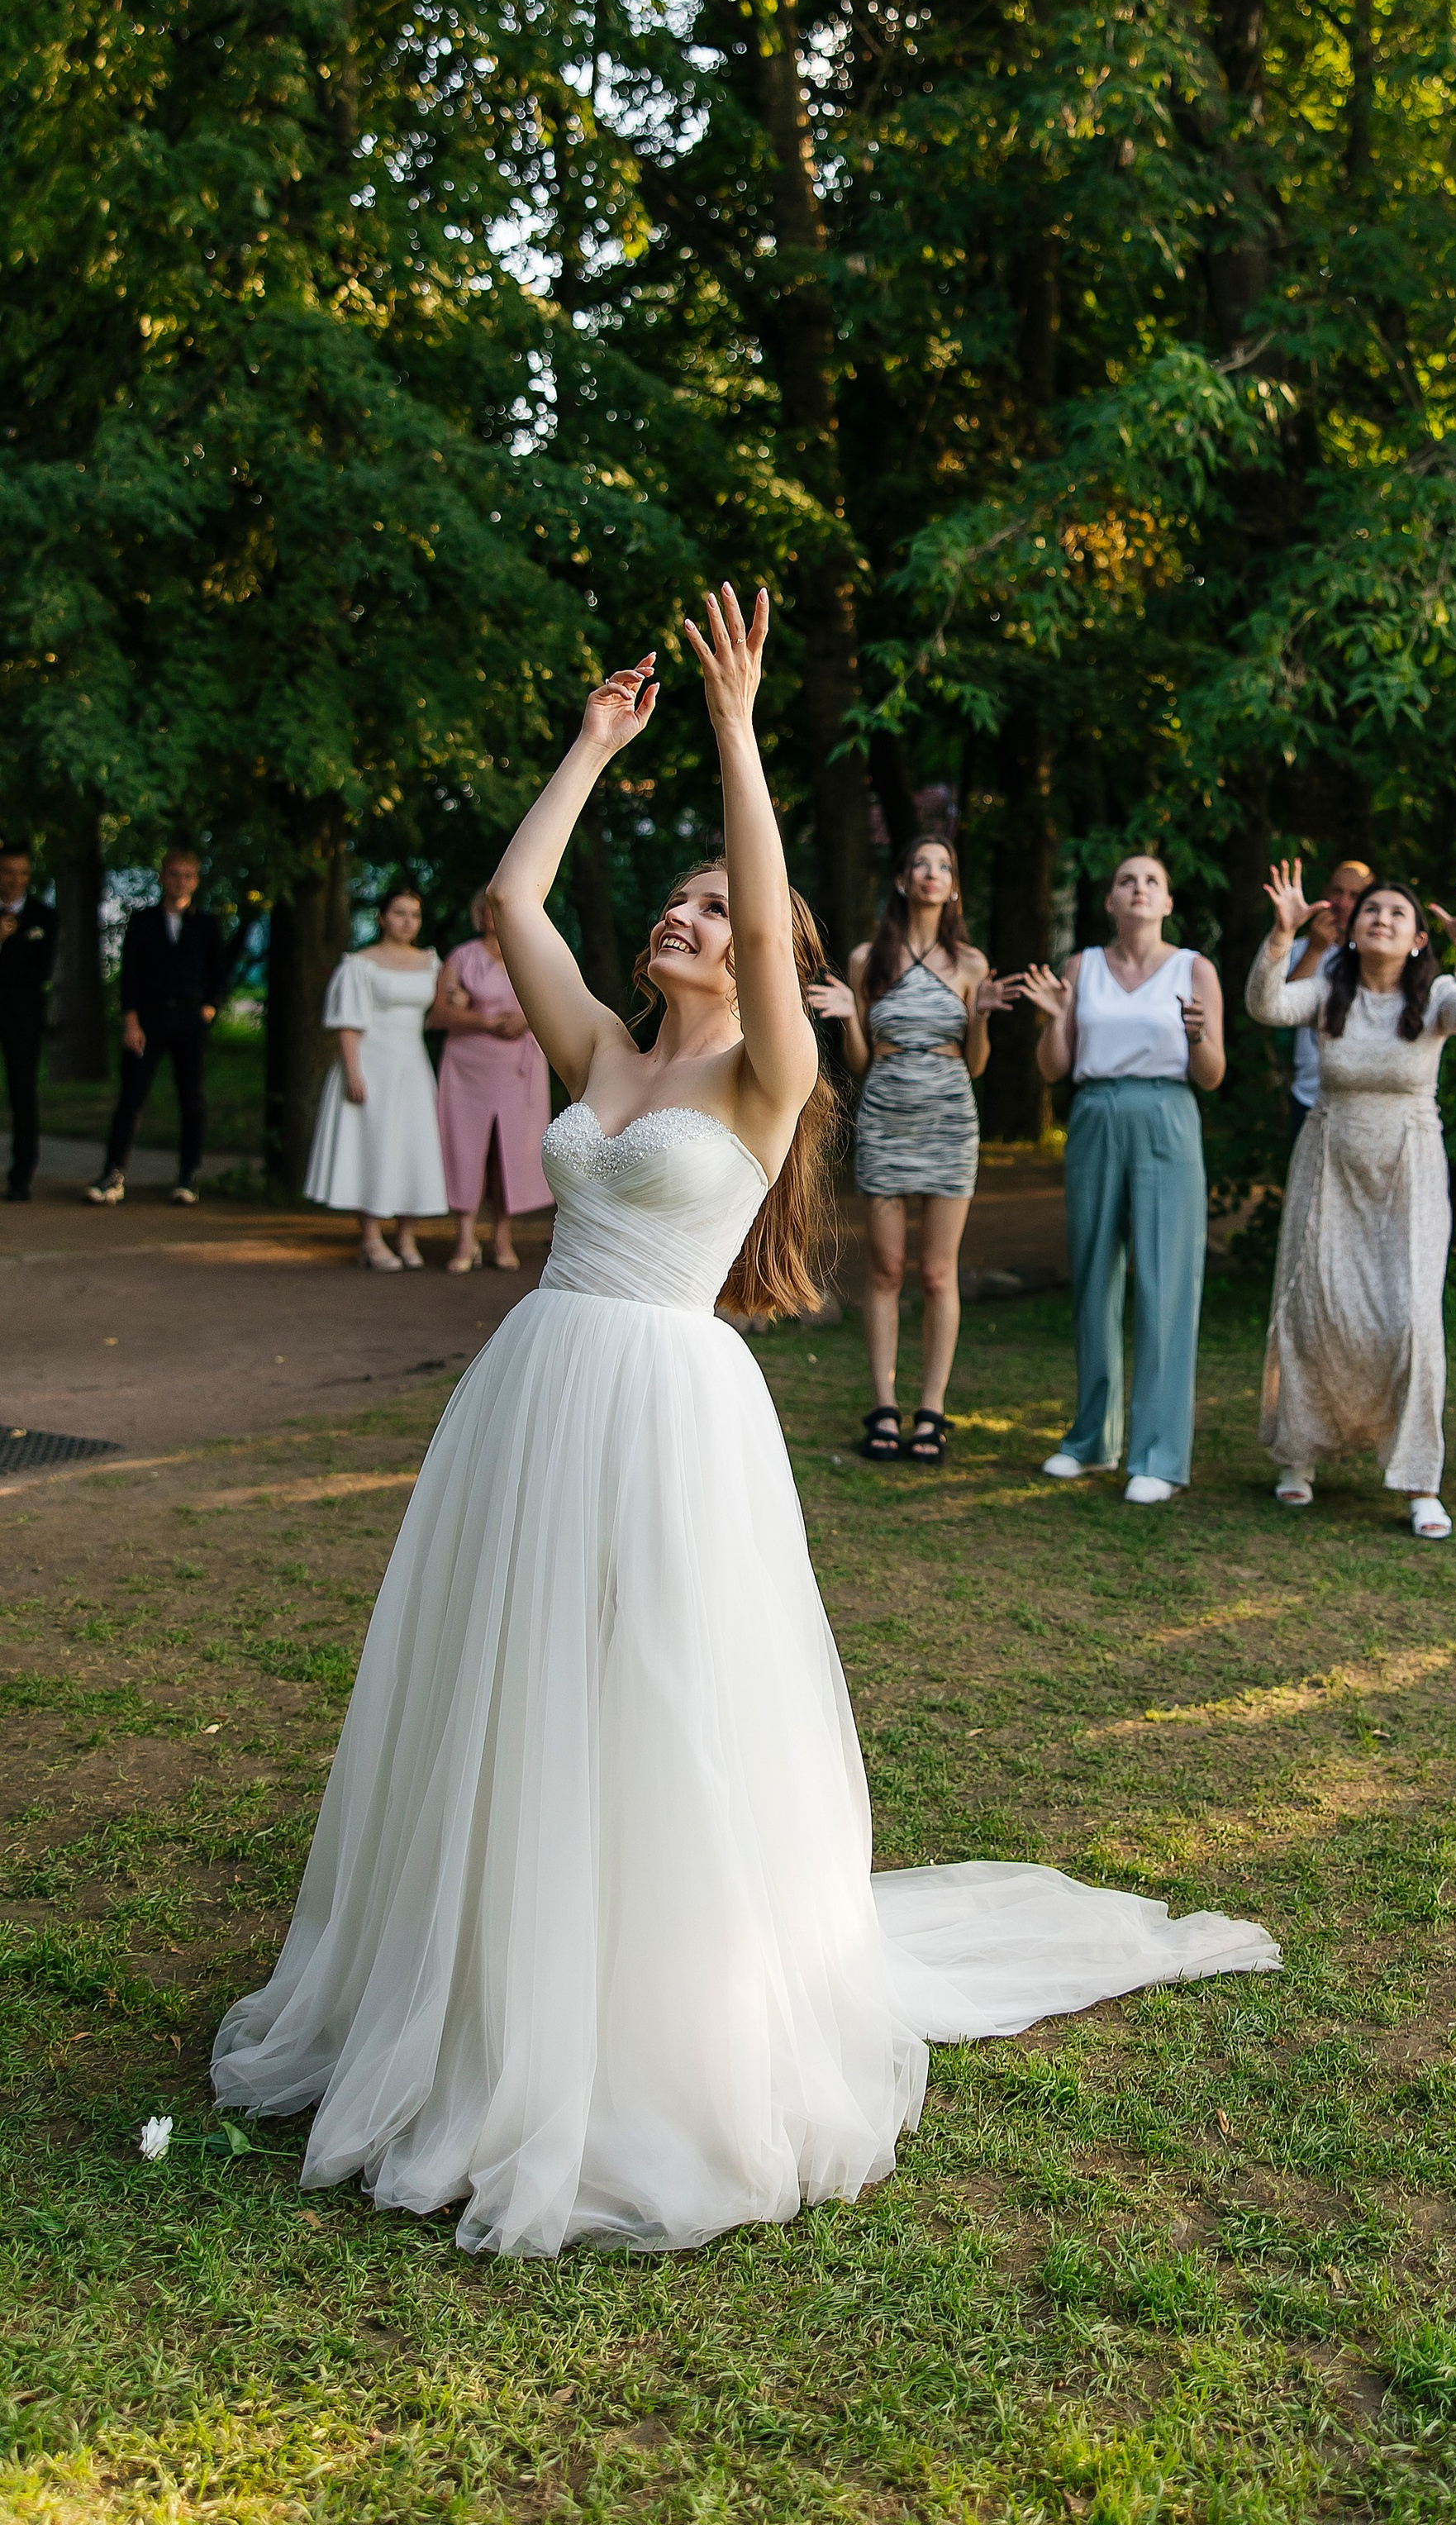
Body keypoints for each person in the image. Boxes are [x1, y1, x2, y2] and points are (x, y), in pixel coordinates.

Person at [212, 591, 1278, 2257]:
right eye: (677, 907)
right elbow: (508, 898)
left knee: (650, 1693)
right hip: (534, 1391)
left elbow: (776, 933)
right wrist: (592, 744)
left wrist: (733, 727)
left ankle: (648, 2012)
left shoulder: (762, 1076)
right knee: (520, 1683)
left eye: (712, 911)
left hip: (662, 1409)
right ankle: (492, 1977)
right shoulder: (602, 1060)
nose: (687, 922)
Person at [1246, 863, 1456, 1536]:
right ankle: (1299, 1456)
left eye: (1396, 914)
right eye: (1370, 912)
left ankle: (1420, 1480)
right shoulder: (1329, 988)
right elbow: (1266, 1005)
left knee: (1412, 1316)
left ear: (1419, 937)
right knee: (1312, 1305)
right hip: (1328, 1160)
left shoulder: (1440, 993)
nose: (1380, 919)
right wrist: (1282, 934)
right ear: (1352, 929)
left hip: (1408, 1166)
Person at [1015, 853, 1227, 1507]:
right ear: (1110, 901)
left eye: (1153, 882)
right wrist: (1054, 1018)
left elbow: (1214, 1073)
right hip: (1096, 1112)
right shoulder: (1081, 967)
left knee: (1166, 1284)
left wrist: (1197, 1038)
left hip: (1167, 1112)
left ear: (1167, 902)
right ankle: (1091, 1439)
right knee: (1094, 1276)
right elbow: (1054, 1069)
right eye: (1126, 881)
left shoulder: (1196, 969)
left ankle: (1158, 1454)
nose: (1139, 889)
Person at [806, 833, 1011, 1464]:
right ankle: (884, 1409)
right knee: (887, 1271)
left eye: (943, 866)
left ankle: (932, 1411)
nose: (931, 873)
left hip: (950, 1117)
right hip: (887, 1115)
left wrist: (980, 1020)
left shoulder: (972, 964)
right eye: (921, 864)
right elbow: (863, 1064)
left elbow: (976, 1065)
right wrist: (847, 1016)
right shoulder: (871, 958)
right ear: (902, 881)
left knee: (939, 1272)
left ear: (953, 887)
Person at [303, 881, 448, 1270]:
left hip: (413, 1066)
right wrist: (353, 1071)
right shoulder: (359, 964)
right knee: (371, 1143)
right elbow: (347, 1023)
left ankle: (406, 1235)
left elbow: (446, 1005)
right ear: (383, 918)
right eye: (399, 913)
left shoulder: (432, 962)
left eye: (414, 915)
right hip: (372, 1061)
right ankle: (370, 1238)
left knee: (413, 1145)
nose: (407, 922)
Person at [85, 850, 228, 1207]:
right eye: (175, 874)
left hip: (189, 1020)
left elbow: (219, 974)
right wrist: (131, 1020)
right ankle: (114, 1173)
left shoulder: (206, 925)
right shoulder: (143, 921)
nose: (180, 881)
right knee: (131, 1097)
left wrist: (208, 1009)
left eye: (188, 875)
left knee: (192, 1098)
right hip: (148, 1019)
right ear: (163, 877)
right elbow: (129, 974)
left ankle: (188, 1175)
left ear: (195, 881)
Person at [435, 886, 553, 1274]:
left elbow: (553, 1003)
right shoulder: (461, 957)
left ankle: (502, 1236)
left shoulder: (529, 954)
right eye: (484, 908)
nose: (491, 914)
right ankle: (465, 1237)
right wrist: (486, 1021)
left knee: (511, 1151)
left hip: (518, 1067)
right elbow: (438, 1013)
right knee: (466, 1147)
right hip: (468, 1065)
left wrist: (526, 1018)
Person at [1287, 859, 1373, 1137]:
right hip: (1309, 1095)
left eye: (1355, 895)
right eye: (1337, 892)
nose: (1343, 902)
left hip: (1363, 1101)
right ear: (1325, 894)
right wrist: (1315, 950)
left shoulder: (1380, 955)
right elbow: (1282, 1007)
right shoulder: (1299, 948)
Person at [0, 846, 57, 1203]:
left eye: (22, 872)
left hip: (23, 1015)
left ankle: (21, 1175)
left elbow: (42, 969)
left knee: (23, 1093)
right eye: (8, 872)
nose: (16, 880)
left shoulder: (43, 916)